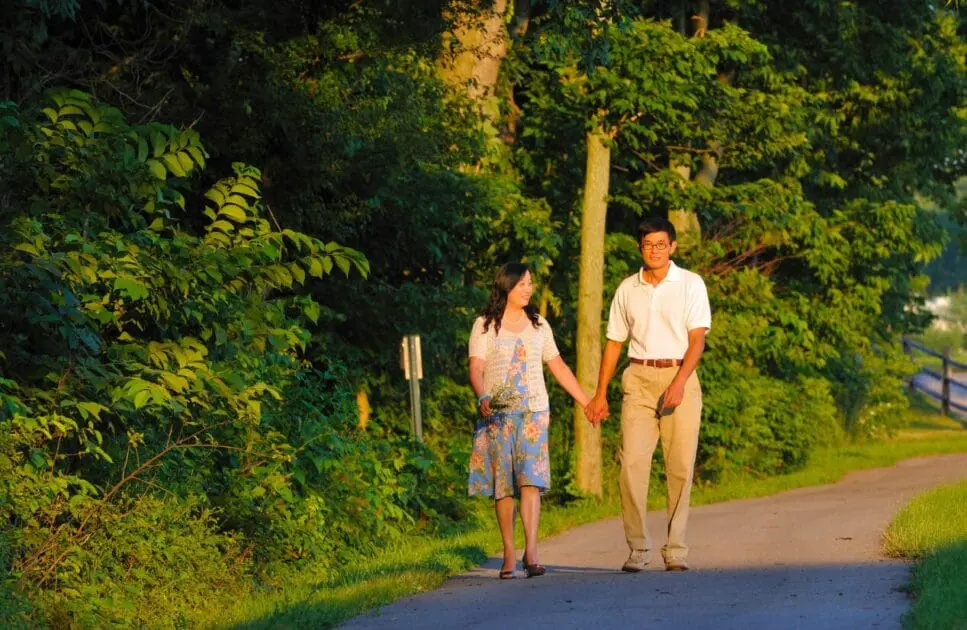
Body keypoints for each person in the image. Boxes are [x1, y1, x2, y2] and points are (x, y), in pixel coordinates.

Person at [585, 216, 711, 572]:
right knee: (631, 465)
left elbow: (697, 340)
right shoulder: (628, 288)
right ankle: (638, 548)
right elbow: (614, 343)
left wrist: (679, 382)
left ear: (672, 246)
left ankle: (676, 549)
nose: (654, 250)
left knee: (680, 467)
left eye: (660, 244)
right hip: (638, 378)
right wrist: (600, 393)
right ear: (639, 248)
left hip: (679, 374)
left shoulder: (690, 283)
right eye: (647, 244)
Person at [468, 262, 591, 579]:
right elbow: (476, 367)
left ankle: (532, 552)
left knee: (531, 481)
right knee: (504, 486)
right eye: (522, 283)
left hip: (535, 412)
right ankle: (509, 552)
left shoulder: (539, 325)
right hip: (499, 414)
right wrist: (482, 396)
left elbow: (558, 367)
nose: (528, 289)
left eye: (530, 283)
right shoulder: (485, 326)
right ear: (506, 286)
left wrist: (586, 402)